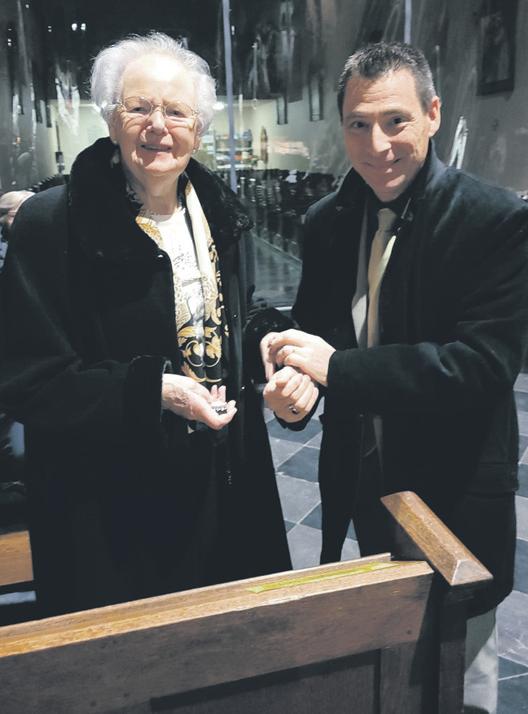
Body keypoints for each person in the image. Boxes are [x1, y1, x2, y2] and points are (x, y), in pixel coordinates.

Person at [262, 42, 528, 714]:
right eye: (358, 124)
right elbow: (319, 343)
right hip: (366, 482)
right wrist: (297, 394)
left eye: (395, 121)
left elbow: (482, 366)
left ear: (433, 114)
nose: (376, 145)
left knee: (464, 671)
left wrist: (336, 368)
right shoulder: (326, 222)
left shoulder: (495, 220)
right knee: (390, 664)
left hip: (457, 488)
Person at [0, 32, 291, 618]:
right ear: (111, 120)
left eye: (177, 111)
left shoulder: (220, 213)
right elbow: (26, 377)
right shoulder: (51, 224)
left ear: (198, 129)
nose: (158, 125)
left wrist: (274, 347)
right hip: (111, 509)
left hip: (220, 480)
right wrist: (150, 390)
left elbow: (231, 314)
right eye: (139, 108)